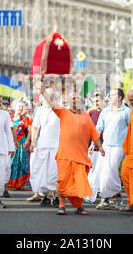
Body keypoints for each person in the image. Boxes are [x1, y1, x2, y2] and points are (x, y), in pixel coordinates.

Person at [37, 79, 104, 215]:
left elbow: (94, 133)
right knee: (63, 181)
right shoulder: (63, 112)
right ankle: (61, 205)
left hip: (81, 156)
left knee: (80, 182)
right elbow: (50, 101)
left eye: (77, 98)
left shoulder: (86, 116)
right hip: (65, 155)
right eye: (72, 98)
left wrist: (100, 147)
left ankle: (79, 206)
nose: (75, 100)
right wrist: (42, 89)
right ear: (67, 102)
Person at [87, 89, 131, 210]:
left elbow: (131, 130)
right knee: (104, 172)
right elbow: (98, 129)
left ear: (120, 97)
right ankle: (111, 198)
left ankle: (109, 197)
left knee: (109, 171)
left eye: (112, 95)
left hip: (119, 146)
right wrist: (92, 144)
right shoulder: (106, 111)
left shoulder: (127, 111)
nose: (110, 97)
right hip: (105, 145)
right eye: (110, 95)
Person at [29, 88, 61, 207]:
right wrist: (33, 142)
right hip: (42, 145)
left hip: (56, 146)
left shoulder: (58, 109)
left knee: (54, 172)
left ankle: (56, 197)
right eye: (43, 96)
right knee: (42, 171)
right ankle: (45, 196)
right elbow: (35, 127)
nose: (44, 98)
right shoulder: (40, 111)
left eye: (47, 95)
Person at [7, 101, 32, 190]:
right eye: (19, 106)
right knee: (12, 162)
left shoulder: (25, 119)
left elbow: (30, 131)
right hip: (12, 143)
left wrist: (27, 141)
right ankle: (10, 183)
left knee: (21, 163)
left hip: (22, 142)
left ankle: (19, 184)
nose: (20, 108)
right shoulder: (10, 118)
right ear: (14, 107)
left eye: (22, 107)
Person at [85, 92, 105, 204]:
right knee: (91, 171)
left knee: (100, 172)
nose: (96, 103)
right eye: (94, 101)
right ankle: (89, 191)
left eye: (98, 101)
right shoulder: (90, 113)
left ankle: (97, 192)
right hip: (92, 147)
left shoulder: (107, 113)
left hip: (103, 147)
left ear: (103, 101)